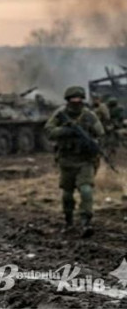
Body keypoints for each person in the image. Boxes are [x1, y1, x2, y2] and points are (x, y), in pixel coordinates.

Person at [44, 86, 104, 238]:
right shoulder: (60, 114)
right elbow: (49, 131)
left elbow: (100, 132)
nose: (76, 102)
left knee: (86, 190)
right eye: (73, 100)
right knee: (67, 194)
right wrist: (66, 130)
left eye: (79, 99)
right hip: (67, 160)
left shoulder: (89, 115)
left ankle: (86, 222)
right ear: (68, 100)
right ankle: (69, 221)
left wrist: (91, 140)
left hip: (85, 160)